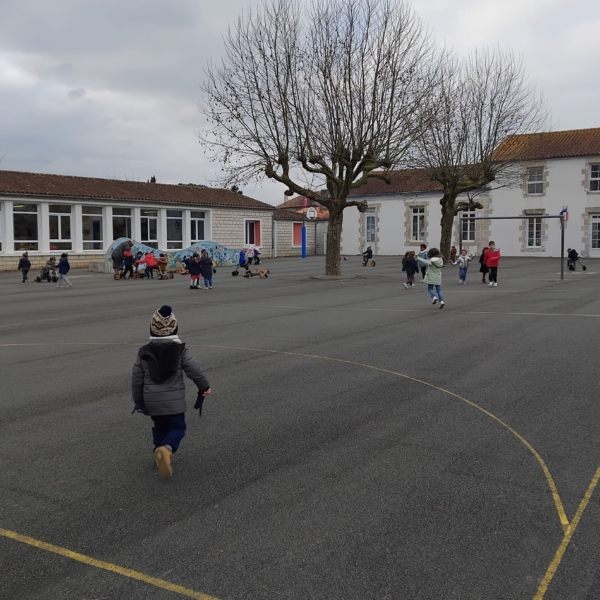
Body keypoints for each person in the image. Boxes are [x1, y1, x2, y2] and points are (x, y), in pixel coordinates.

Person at [131, 305, 211, 479]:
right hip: (174, 402)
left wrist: (138, 400)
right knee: (177, 427)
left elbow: (136, 377)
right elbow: (194, 370)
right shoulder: (180, 351)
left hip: (153, 402)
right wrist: (204, 386)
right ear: (174, 328)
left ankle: (158, 450)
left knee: (159, 426)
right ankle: (166, 449)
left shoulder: (144, 352)